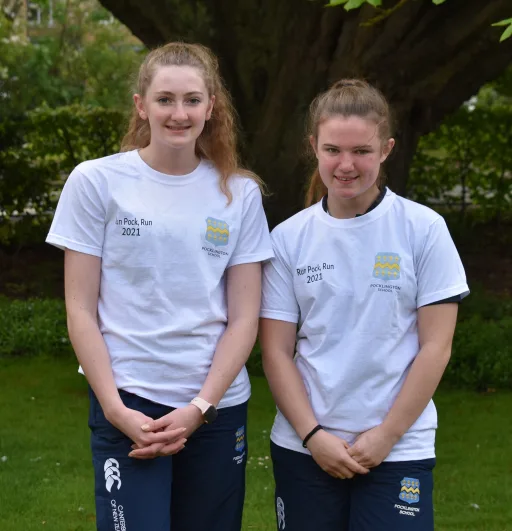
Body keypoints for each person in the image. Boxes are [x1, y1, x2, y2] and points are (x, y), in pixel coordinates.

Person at [46, 42, 273, 531]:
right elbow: (81, 310)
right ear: (140, 105)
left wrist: (199, 408)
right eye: (165, 99)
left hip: (214, 410)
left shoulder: (241, 193)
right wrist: (114, 408)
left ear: (211, 107)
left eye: (192, 100)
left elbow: (244, 318)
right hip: (128, 403)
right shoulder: (96, 182)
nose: (178, 113)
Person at [259, 79, 469, 531]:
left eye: (362, 151)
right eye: (333, 149)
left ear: (387, 149)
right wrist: (313, 436)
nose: (347, 165)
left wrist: (387, 435)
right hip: (305, 448)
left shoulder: (423, 229)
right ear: (313, 146)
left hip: (399, 448)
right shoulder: (288, 239)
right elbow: (276, 351)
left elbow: (436, 347)